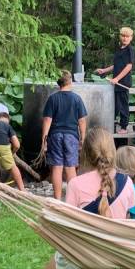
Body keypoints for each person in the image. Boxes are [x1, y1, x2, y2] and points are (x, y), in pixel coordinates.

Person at [46, 127, 135, 269]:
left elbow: (69, 225)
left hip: (83, 255)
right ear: (112, 151)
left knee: (53, 263)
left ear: (85, 154)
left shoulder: (75, 184)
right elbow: (127, 219)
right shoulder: (127, 182)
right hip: (115, 255)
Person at [41, 70, 88, 200]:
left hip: (55, 136)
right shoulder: (77, 98)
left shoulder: (52, 98)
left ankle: (57, 199)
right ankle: (72, 199)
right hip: (71, 136)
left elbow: (47, 120)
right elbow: (82, 120)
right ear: (70, 81)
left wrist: (44, 139)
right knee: (70, 167)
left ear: (59, 83)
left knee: (57, 167)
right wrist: (83, 137)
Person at [95, 27, 135, 134]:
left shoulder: (130, 50)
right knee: (115, 106)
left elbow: (129, 66)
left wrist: (117, 78)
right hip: (116, 83)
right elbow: (116, 65)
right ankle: (112, 125)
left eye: (127, 36)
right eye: (123, 36)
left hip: (123, 82)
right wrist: (104, 70)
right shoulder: (119, 49)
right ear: (120, 36)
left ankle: (124, 127)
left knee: (123, 105)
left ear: (131, 38)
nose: (125, 38)